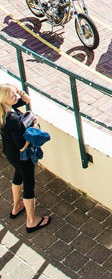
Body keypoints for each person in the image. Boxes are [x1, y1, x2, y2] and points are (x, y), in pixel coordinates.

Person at [0, 84, 51, 232]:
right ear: (5, 99)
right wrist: (32, 127)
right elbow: (22, 145)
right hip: (21, 156)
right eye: (12, 96)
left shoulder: (4, 111)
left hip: (10, 154)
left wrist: (18, 92)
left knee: (18, 176)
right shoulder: (13, 120)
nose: (16, 97)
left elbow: (27, 99)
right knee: (29, 185)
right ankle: (31, 220)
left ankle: (16, 206)